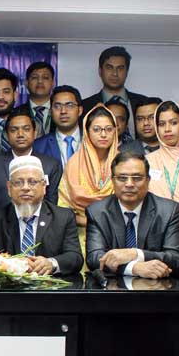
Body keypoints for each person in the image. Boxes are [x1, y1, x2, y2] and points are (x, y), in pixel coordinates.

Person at [0, 156, 82, 274]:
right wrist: (13, 264)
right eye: (18, 182)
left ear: (44, 186)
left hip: (51, 284)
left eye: (32, 182)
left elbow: (75, 257)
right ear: (9, 188)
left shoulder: (63, 217)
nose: (25, 187)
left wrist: (52, 263)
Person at [57, 105, 118, 260]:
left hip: (116, 235)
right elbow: (63, 209)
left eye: (108, 129)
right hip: (80, 236)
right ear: (87, 131)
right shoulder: (74, 163)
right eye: (97, 129)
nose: (103, 134)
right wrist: (92, 222)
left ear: (115, 131)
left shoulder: (123, 163)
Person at [0, 107, 62, 216]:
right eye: (14, 130)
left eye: (26, 129)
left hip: (41, 225)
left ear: (35, 133)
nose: (20, 134)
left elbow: (52, 206)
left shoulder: (50, 165)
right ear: (6, 135)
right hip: (2, 225)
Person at [146, 101, 179, 209]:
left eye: (174, 123)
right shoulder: (148, 161)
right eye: (161, 124)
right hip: (158, 218)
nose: (167, 129)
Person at [81, 46, 146, 135]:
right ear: (100, 71)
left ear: (127, 72)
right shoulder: (84, 107)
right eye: (109, 67)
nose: (115, 73)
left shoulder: (144, 103)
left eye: (120, 68)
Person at [33, 85, 83, 169]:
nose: (63, 111)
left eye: (69, 105)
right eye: (57, 106)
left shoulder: (93, 141)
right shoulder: (38, 147)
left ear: (80, 110)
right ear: (50, 111)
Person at [25, 61, 55, 134]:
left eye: (45, 78)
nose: (40, 81)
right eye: (34, 77)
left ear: (53, 83)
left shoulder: (61, 111)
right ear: (26, 83)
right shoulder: (16, 113)